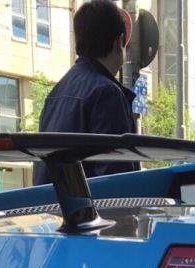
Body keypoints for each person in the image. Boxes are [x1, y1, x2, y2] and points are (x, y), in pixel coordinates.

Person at [35, 0, 137, 182]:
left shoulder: (56, 92)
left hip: (53, 207)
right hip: (88, 210)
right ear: (119, 41)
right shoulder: (107, 93)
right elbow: (115, 181)